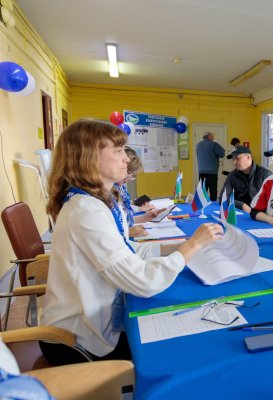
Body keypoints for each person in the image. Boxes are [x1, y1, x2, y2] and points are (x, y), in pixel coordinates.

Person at [41, 119, 224, 365]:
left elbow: (128, 250)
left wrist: (184, 244)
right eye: (117, 151)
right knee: (186, 350)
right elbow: (144, 282)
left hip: (94, 325)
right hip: (80, 342)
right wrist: (192, 247)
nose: (126, 159)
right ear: (87, 157)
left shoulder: (93, 202)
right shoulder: (86, 211)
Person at [116, 146, 163, 238]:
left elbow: (123, 218)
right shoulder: (108, 192)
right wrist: (127, 231)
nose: (129, 178)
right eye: (128, 172)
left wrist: (144, 218)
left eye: (132, 174)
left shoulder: (120, 187)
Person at [219, 146, 272, 213]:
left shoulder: (265, 175)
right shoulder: (232, 175)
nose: (234, 162)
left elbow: (271, 202)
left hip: (260, 216)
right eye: (233, 159)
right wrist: (242, 206)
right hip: (239, 214)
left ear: (248, 157)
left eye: (237, 158)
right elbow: (222, 198)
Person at [195, 132, 225, 201]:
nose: (213, 138)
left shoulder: (198, 145)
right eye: (212, 136)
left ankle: (202, 206)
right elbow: (222, 154)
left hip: (201, 171)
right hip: (212, 172)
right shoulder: (214, 144)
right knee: (213, 191)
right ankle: (213, 207)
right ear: (208, 137)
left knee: (202, 191)